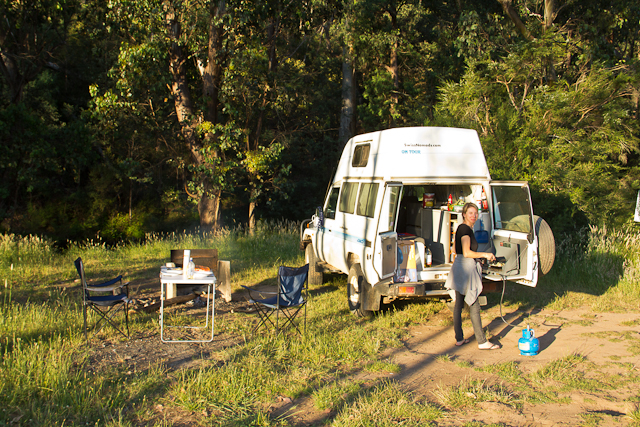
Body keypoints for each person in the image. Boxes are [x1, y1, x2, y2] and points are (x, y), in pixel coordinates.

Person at [445, 202, 500, 350]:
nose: (474, 216)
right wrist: (485, 255)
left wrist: (477, 258)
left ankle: (459, 338)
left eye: (475, 213)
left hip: (459, 267)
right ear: (464, 214)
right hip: (466, 270)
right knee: (474, 304)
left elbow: (455, 249)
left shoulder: (462, 228)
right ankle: (482, 341)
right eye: (470, 213)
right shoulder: (465, 229)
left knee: (459, 304)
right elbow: (467, 252)